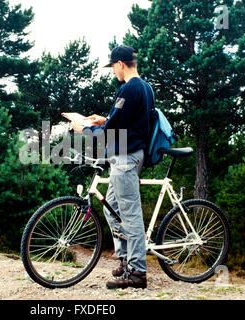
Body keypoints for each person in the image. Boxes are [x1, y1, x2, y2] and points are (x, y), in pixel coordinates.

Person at [71, 45, 154, 289]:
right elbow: (129, 124)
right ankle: (126, 259)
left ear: (120, 64)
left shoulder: (129, 88)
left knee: (130, 215)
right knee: (112, 208)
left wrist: (84, 128)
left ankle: (138, 273)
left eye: (113, 67)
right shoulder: (145, 87)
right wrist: (104, 120)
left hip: (126, 158)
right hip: (130, 155)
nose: (113, 72)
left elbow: (109, 135)